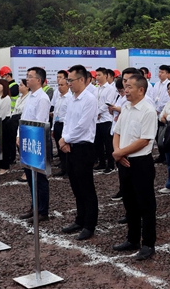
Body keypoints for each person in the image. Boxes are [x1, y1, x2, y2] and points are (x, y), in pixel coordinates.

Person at [112, 74, 158, 261]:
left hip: (140, 162)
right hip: (124, 161)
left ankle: (148, 243)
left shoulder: (148, 111)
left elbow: (144, 140)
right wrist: (118, 152)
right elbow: (117, 132)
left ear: (141, 90)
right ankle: (132, 239)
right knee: (129, 203)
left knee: (145, 205)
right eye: (125, 87)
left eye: (130, 87)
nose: (126, 90)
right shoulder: (126, 108)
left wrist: (120, 153)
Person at [59, 65, 99, 240]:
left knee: (86, 187)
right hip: (70, 146)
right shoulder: (71, 98)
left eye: (71, 80)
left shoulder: (90, 99)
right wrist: (64, 139)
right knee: (75, 186)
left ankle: (89, 225)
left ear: (82, 80)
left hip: (83, 147)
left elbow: (83, 125)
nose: (69, 83)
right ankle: (79, 219)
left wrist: (65, 139)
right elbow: (66, 121)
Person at [17, 67, 51, 223]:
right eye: (27, 76)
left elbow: (39, 123)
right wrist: (19, 135)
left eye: (30, 76)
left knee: (40, 178)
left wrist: (27, 137)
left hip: (36, 142)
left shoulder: (42, 98)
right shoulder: (30, 96)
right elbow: (24, 118)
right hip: (26, 141)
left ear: (38, 80)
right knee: (30, 176)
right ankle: (34, 206)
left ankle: (43, 211)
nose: (27, 79)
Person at [94, 67, 118, 174]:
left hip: (106, 119)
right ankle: (102, 163)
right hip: (97, 120)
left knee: (108, 144)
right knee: (98, 143)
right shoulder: (97, 89)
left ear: (105, 76)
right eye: (96, 75)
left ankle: (111, 165)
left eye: (99, 75)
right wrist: (96, 113)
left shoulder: (110, 89)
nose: (97, 77)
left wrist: (98, 112)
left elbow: (108, 103)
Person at [51, 77, 73, 177]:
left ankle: (69, 170)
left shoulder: (70, 98)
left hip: (64, 125)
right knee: (60, 148)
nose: (60, 87)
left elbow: (69, 115)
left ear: (67, 85)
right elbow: (55, 113)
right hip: (57, 124)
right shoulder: (58, 98)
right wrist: (52, 128)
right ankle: (63, 168)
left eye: (62, 85)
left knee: (66, 148)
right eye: (59, 85)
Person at [0, 78, 13, 175]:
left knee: (5, 145)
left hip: (4, 122)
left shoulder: (6, 98)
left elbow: (2, 114)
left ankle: (5, 166)